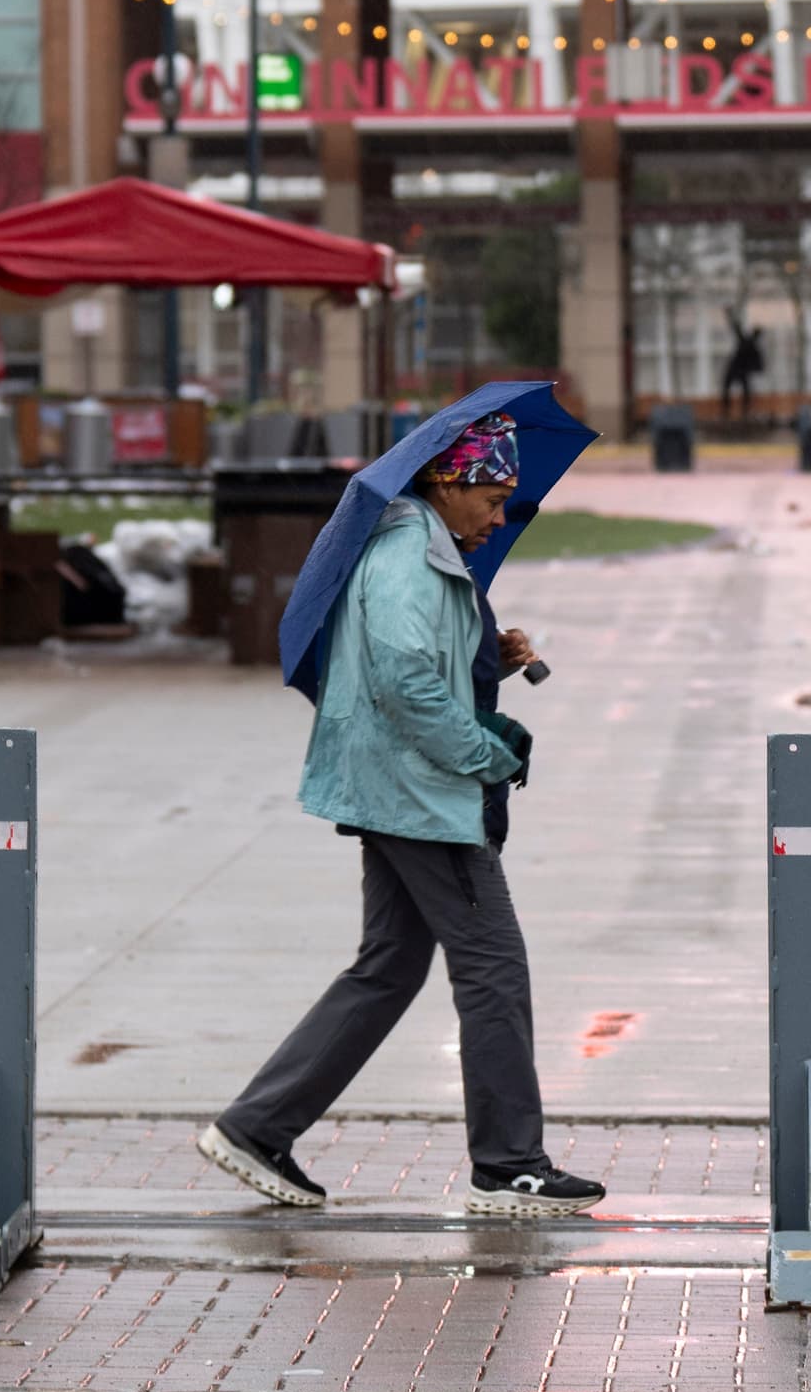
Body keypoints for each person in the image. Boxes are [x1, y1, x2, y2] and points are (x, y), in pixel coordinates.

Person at [197, 413, 606, 1218]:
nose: (500, 517)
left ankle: (257, 1128)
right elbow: (405, 684)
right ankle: (508, 1165)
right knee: (493, 967)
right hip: (423, 797)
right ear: (448, 482)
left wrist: (491, 656)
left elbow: (420, 664)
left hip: (399, 789)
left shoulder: (426, 548)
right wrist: (489, 756)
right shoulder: (407, 556)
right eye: (493, 498)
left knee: (388, 967)